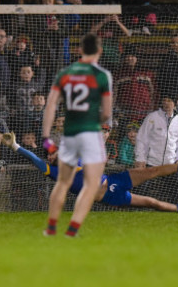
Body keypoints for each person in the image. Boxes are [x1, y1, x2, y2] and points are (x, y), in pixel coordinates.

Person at [1, 131, 178, 213]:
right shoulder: (55, 172)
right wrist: (15, 146)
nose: (52, 155)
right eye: (51, 154)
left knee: (151, 171)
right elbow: (34, 159)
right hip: (109, 195)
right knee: (151, 203)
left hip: (114, 179)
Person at [42, 33, 112, 237]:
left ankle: (51, 228)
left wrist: (47, 138)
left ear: (80, 50)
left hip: (69, 135)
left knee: (63, 182)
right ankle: (72, 230)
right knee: (92, 184)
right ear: (99, 51)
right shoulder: (102, 75)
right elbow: (107, 113)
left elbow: (51, 104)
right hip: (90, 133)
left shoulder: (65, 73)